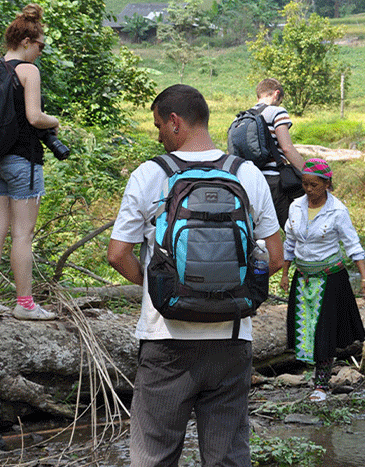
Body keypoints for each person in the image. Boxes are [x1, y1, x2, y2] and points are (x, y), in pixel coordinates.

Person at [107, 84, 283, 467]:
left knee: (154, 456)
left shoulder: (150, 174)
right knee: (228, 458)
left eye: (158, 125)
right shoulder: (247, 173)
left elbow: (117, 254)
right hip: (231, 338)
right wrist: (233, 288)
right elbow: (276, 256)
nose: (157, 135)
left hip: (165, 338)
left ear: (175, 121)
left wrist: (159, 285)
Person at [0, 3, 60, 320]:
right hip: (22, 161)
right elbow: (34, 116)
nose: (41, 51)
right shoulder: (28, 71)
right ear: (27, 42)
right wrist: (54, 121)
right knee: (22, 233)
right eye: (40, 45)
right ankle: (25, 304)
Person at [280, 158, 365, 402]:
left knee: (324, 331)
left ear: (327, 184)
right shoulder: (296, 207)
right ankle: (314, 377)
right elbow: (290, 242)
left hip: (330, 279)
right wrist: (285, 274)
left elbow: (352, 244)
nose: (309, 190)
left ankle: (321, 385)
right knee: (304, 328)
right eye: (305, 184)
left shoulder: (338, 211)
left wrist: (364, 278)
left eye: (314, 185)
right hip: (303, 278)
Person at [252, 78, 305, 229]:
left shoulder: (242, 117)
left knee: (259, 232)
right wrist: (308, 173)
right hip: (273, 181)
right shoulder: (277, 112)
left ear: (258, 96)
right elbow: (287, 148)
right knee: (294, 230)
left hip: (250, 180)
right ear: (276, 94)